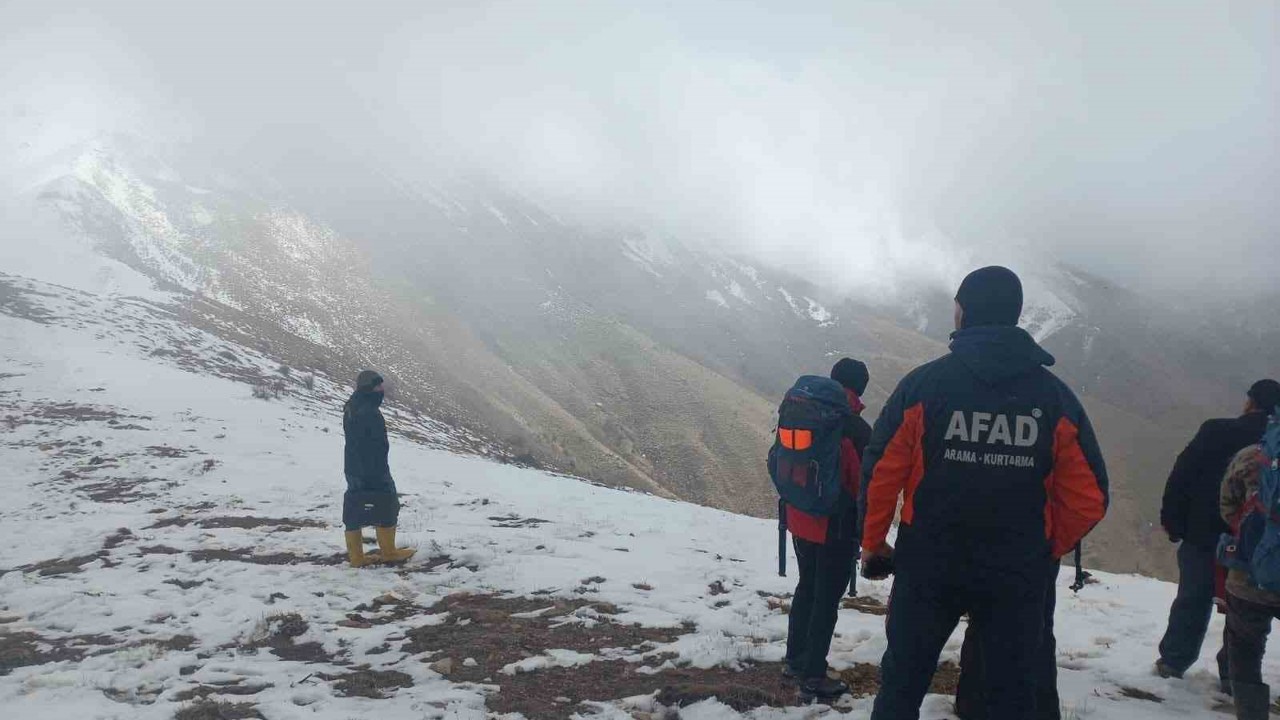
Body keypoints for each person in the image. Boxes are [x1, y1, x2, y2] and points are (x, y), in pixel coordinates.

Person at [860, 266, 1109, 720]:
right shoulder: (1055, 399)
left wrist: (874, 542)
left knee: (901, 685)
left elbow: (881, 474)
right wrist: (1043, 546)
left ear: (961, 313)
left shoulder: (923, 387)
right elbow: (1089, 496)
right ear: (1016, 316)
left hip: (928, 563)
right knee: (1006, 697)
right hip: (1015, 572)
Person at [1156, 379, 1280, 684]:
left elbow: (1182, 475)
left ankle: (1174, 662)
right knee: (1244, 611)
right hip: (1257, 544)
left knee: (1192, 599)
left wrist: (1172, 522)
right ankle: (1234, 676)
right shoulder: (1272, 443)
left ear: (1250, 402)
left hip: (1203, 535)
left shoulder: (1216, 430)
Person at [785, 358, 873, 703]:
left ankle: (794, 661)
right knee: (826, 599)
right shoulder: (855, 428)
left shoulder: (804, 409)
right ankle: (813, 674)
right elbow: (864, 486)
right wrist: (868, 535)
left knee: (807, 585)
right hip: (835, 525)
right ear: (861, 388)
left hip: (799, 516)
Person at [1219, 409, 1280, 720]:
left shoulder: (1251, 457)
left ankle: (1251, 714)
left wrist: (1256, 542)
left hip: (1247, 575)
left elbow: (1228, 504)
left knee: (1245, 649)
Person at [342, 370, 416, 567]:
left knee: (354, 505)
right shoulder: (370, 412)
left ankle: (357, 558)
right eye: (378, 385)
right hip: (373, 469)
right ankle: (389, 553)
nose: (382, 389)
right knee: (388, 503)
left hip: (352, 467)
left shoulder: (351, 405)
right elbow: (375, 445)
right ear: (370, 388)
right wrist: (377, 468)